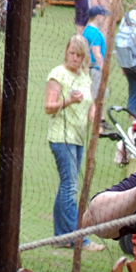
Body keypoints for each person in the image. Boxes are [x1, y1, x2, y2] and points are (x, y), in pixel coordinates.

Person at [46, 35, 101, 251]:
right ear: (66, 52)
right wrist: (68, 101)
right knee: (70, 186)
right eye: (72, 53)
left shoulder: (85, 76)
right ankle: (79, 239)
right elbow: (48, 106)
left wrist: (97, 121)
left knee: (67, 185)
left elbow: (91, 105)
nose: (75, 58)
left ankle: (61, 237)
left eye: (79, 55)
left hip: (78, 138)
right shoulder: (57, 74)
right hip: (61, 137)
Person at [83, 4, 111, 99]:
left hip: (88, 68)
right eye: (104, 16)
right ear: (98, 17)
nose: (104, 19)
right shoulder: (95, 33)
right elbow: (96, 52)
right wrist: (104, 69)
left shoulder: (86, 30)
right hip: (96, 69)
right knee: (97, 99)